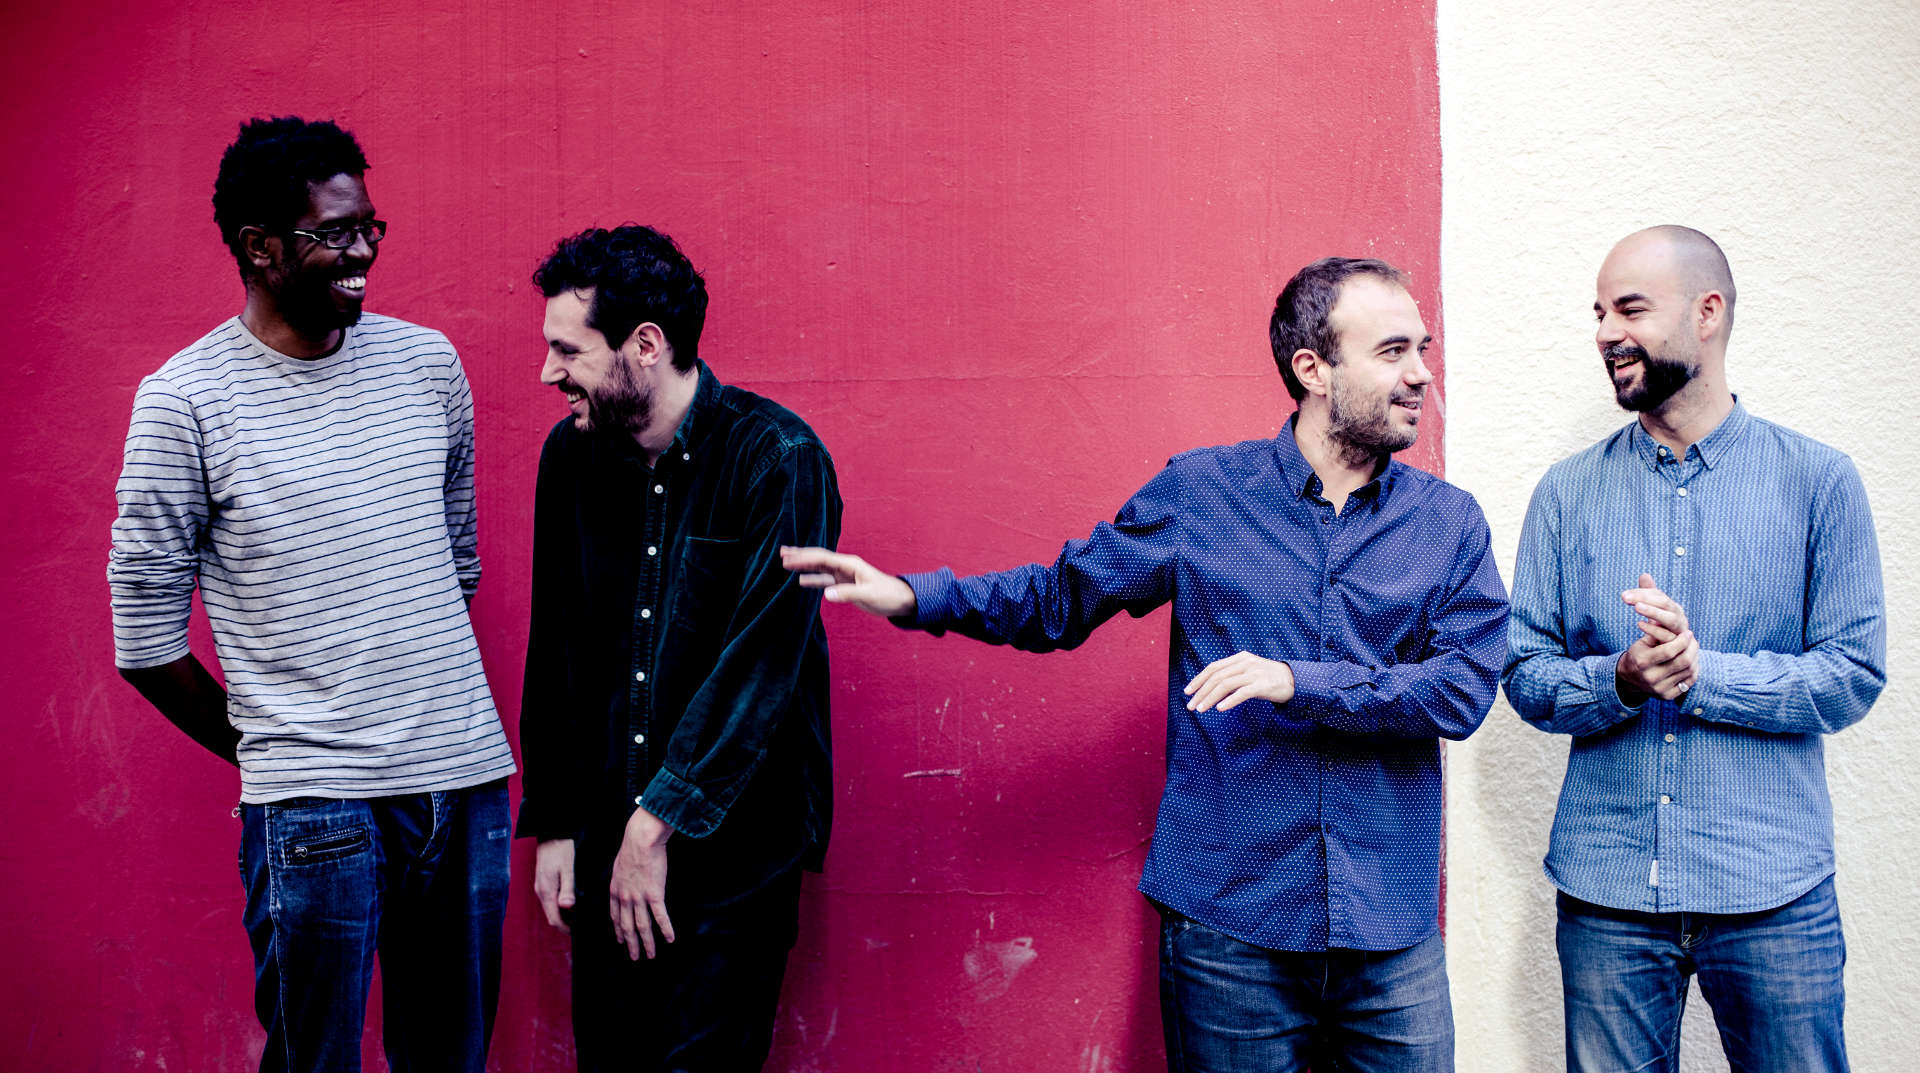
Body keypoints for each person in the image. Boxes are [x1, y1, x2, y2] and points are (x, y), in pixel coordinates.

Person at [782, 257, 1507, 1072]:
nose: (1421, 374)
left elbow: (1463, 689)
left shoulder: (1448, 523)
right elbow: (1061, 598)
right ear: (1313, 369)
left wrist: (1299, 679)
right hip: (1231, 928)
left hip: (1390, 934)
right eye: (1393, 351)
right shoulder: (1202, 493)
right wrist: (916, 596)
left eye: (1422, 349)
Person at [107, 117, 516, 1073]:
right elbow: (145, 643)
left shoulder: (428, 366)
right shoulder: (183, 401)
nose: (364, 250)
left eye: (371, 226)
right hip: (314, 807)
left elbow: (452, 566)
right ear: (260, 247)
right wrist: (278, 749)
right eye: (336, 232)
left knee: (453, 1058)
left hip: (463, 785)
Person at [1504, 226, 1886, 1073]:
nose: (1606, 332)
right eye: (1598, 313)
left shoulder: (1819, 481)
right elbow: (1524, 675)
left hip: (1772, 889)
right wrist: (1622, 678)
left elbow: (1853, 674)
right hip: (1606, 892)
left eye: (1630, 308)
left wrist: (1705, 674)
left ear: (1707, 313)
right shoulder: (1566, 493)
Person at [518, 225, 843, 1072]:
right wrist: (556, 823)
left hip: (736, 849)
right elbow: (557, 643)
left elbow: (760, 668)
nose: (548, 372)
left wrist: (653, 826)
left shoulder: (779, 458)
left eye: (568, 350)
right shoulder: (570, 456)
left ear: (646, 345)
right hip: (606, 832)